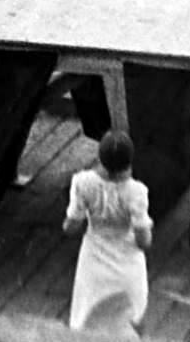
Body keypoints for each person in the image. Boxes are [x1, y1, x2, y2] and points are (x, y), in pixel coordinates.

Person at [63, 129, 153, 337]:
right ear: (129, 162)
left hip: (94, 259)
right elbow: (143, 241)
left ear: (100, 159)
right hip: (127, 263)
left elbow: (71, 227)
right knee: (131, 316)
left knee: (87, 313)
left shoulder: (83, 182)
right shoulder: (136, 192)